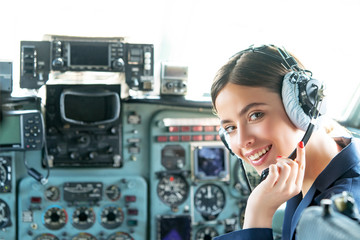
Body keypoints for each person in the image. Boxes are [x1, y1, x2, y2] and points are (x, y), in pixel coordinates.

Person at [210, 45, 360, 240]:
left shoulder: (335, 224)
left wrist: (257, 215)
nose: (242, 140)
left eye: (255, 115)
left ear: (303, 107)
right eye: (230, 128)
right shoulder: (305, 173)